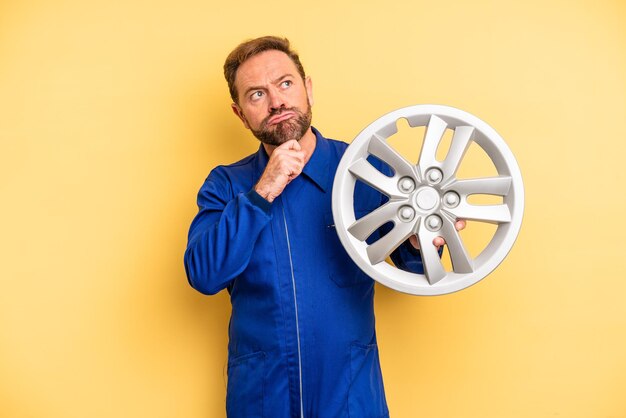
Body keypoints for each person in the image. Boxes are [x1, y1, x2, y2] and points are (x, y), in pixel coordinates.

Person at [184, 36, 465, 418]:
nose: (277, 102)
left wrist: (421, 241)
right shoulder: (225, 185)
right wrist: (263, 190)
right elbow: (203, 274)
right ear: (240, 114)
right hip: (263, 399)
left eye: (285, 84)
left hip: (349, 396)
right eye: (256, 95)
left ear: (308, 89)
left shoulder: (366, 172)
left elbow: (412, 267)